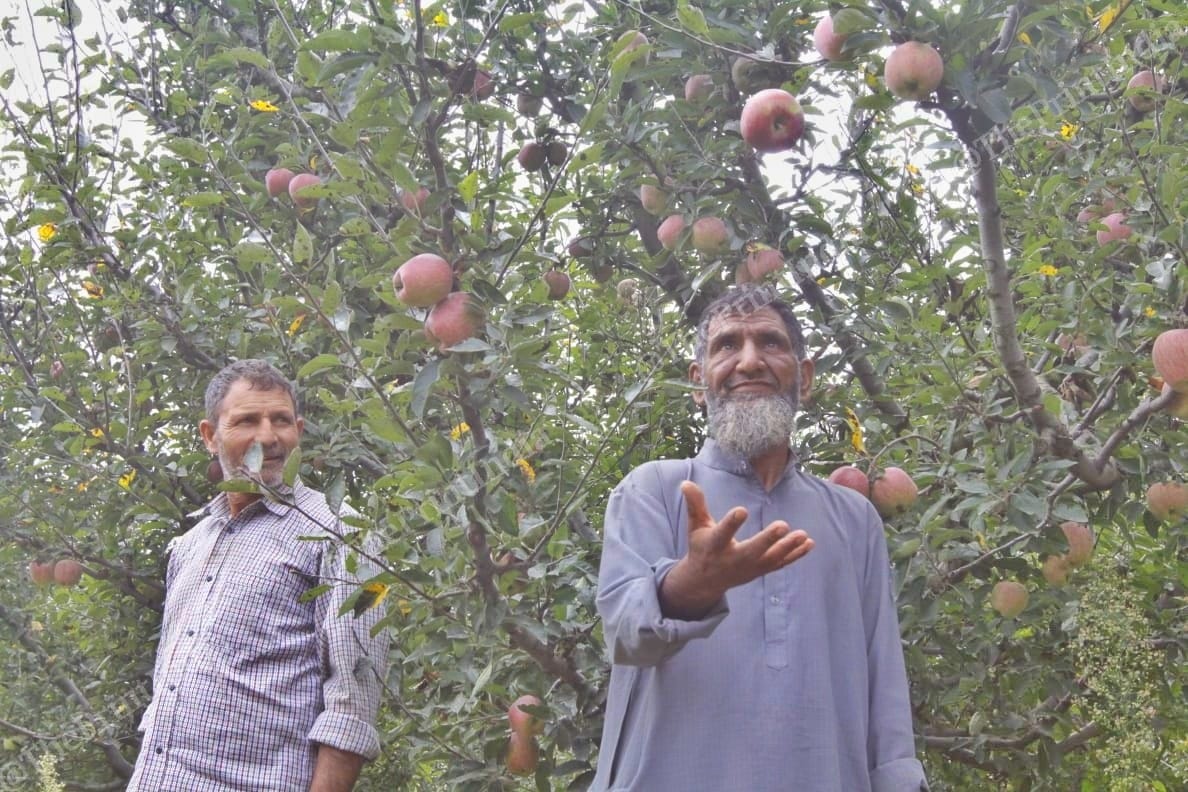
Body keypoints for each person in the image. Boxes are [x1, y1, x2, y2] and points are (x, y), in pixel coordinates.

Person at [593, 285, 928, 791]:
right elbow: (623, 633)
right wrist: (692, 585)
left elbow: (884, 685)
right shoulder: (654, 490)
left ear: (806, 377)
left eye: (770, 342)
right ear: (698, 382)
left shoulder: (853, 518)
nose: (749, 361)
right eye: (727, 345)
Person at [128, 359, 389, 792]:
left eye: (281, 421)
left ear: (299, 432)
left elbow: (353, 703)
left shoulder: (345, 534)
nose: (267, 437)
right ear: (210, 437)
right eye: (247, 420)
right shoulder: (190, 546)